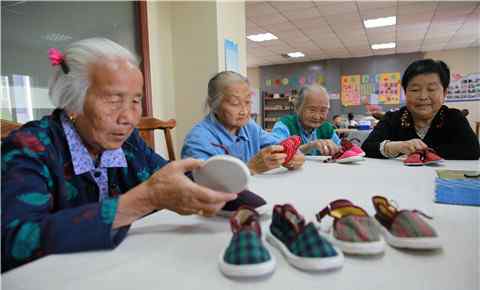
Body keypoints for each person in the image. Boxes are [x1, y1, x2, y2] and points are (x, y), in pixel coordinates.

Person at [1, 38, 237, 272]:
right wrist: (144, 200)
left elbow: (166, 180)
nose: (129, 118)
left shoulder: (128, 142)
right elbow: (12, 242)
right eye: (114, 100)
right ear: (73, 102)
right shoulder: (29, 147)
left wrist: (212, 181)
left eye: (136, 101)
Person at [181, 71, 305, 174]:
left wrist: (293, 154)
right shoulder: (198, 140)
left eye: (247, 102)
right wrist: (249, 168)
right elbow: (201, 187)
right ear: (213, 104)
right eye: (235, 103)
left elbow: (277, 144)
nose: (245, 111)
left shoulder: (249, 126)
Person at [362, 59, 480, 160]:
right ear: (406, 93)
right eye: (415, 90)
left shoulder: (453, 117)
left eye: (431, 89)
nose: (423, 97)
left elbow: (472, 150)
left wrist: (418, 151)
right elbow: (366, 148)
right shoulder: (392, 118)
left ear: (444, 93)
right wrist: (396, 146)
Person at [271, 85, 341, 156]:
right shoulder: (285, 125)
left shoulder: (326, 128)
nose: (317, 117)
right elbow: (275, 152)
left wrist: (338, 149)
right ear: (297, 107)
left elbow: (342, 148)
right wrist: (309, 146)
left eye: (323, 110)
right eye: (312, 110)